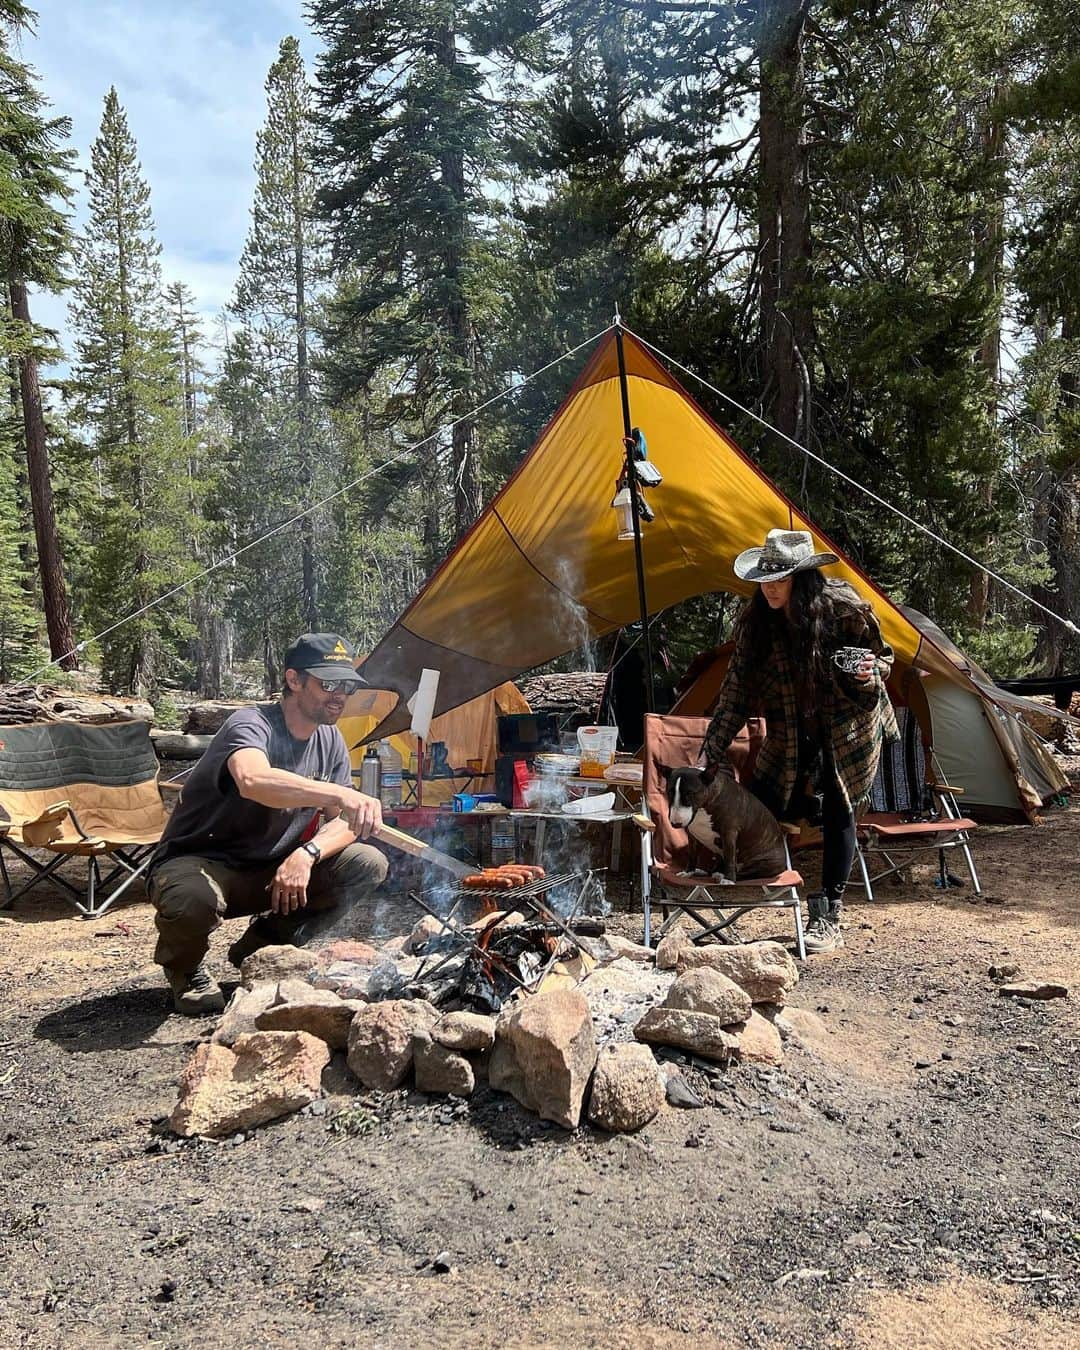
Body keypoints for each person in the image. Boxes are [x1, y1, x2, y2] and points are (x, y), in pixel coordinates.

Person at [149, 633, 388, 1014]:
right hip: (203, 863)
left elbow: (342, 823)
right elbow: (253, 781)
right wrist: (335, 793)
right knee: (193, 899)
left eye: (346, 686)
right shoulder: (251, 723)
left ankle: (262, 947)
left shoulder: (331, 739)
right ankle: (186, 971)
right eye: (328, 683)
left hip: (273, 869)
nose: (339, 695)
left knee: (366, 862)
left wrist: (308, 854)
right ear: (294, 680)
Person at [701, 529, 899, 953]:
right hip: (792, 725)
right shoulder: (757, 625)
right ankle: (736, 879)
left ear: (802, 578)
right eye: (765, 579)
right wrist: (711, 751)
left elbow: (883, 660)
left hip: (849, 724)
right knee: (764, 797)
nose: (770, 587)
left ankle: (829, 909)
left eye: (780, 578)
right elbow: (734, 693)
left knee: (839, 807)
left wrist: (868, 672)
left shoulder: (844, 610)